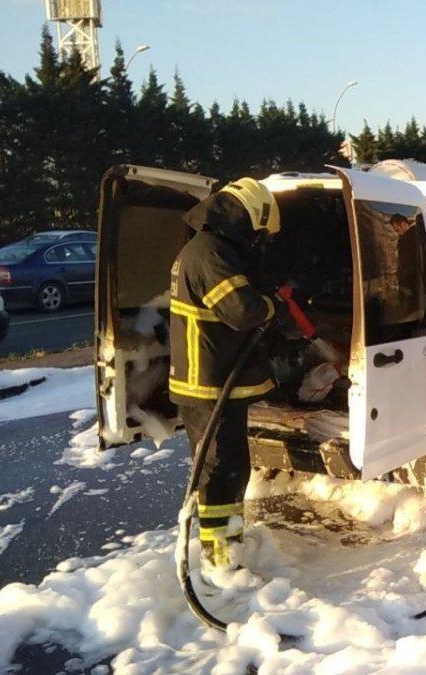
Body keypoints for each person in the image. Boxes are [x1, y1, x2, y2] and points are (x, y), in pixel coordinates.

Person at [170, 177, 282, 575]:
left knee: (230, 464)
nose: (258, 241)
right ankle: (219, 560)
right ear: (246, 219)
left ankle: (228, 542)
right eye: (258, 233)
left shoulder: (206, 249)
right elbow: (242, 311)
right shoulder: (210, 254)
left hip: (211, 381)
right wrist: (271, 304)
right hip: (207, 383)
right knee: (220, 470)